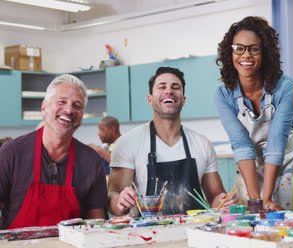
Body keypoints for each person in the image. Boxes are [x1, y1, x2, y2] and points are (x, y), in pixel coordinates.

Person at [108, 67, 238, 216]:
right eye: (162, 87)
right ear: (149, 99)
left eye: (175, 87)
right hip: (149, 234)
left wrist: (224, 202)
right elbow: (113, 197)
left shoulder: (202, 143)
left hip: (194, 231)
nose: (169, 91)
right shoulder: (127, 143)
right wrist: (120, 202)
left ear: (183, 100)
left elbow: (215, 197)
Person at [0, 74, 107, 229]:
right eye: (61, 102)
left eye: (77, 106)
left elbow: (97, 221)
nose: (69, 109)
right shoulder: (12, 153)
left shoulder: (91, 161)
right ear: (44, 106)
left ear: (82, 115)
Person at [214, 16, 293, 210]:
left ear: (265, 53)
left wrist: (267, 198)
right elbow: (241, 144)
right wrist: (256, 200)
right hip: (250, 166)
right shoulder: (223, 94)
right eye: (239, 48)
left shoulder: (285, 87)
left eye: (254, 49)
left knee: (284, 219)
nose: (246, 55)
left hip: (286, 163)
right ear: (230, 52)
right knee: (254, 216)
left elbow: (276, 140)